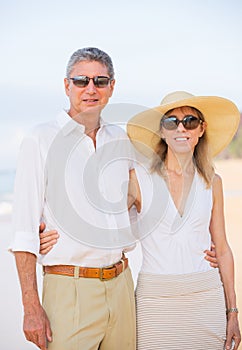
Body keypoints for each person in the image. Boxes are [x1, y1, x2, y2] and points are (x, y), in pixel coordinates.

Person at [10, 47, 136, 350]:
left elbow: (136, 202)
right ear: (67, 86)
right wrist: (31, 307)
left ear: (112, 87)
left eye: (100, 81)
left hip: (122, 286)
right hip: (69, 290)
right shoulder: (40, 139)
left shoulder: (121, 140)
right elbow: (25, 230)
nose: (90, 89)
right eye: (81, 81)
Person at [126, 91, 241, 349]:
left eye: (189, 121)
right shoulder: (139, 180)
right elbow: (107, 224)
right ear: (162, 132)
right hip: (155, 302)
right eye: (171, 122)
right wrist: (46, 228)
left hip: (205, 297)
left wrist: (232, 312)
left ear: (201, 129)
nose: (181, 128)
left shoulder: (213, 182)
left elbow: (222, 249)